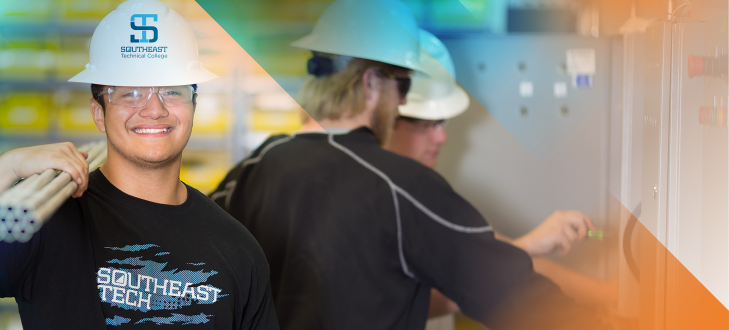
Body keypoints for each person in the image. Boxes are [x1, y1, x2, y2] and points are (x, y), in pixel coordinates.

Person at [209, 0, 610, 329]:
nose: (401, 102)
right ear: (371, 84)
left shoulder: (250, 170)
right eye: (403, 85)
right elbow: (516, 297)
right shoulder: (399, 184)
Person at [0, 1, 278, 328]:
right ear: (99, 113)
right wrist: (8, 166)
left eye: (172, 91)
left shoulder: (238, 249)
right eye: (130, 93)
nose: (154, 109)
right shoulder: (48, 217)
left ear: (194, 105)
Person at [384, 28, 617, 320]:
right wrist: (527, 247)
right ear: (387, 115)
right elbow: (410, 303)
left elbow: (495, 259)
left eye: (442, 123)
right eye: (426, 124)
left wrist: (607, 295)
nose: (442, 137)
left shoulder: (417, 193)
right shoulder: (378, 200)